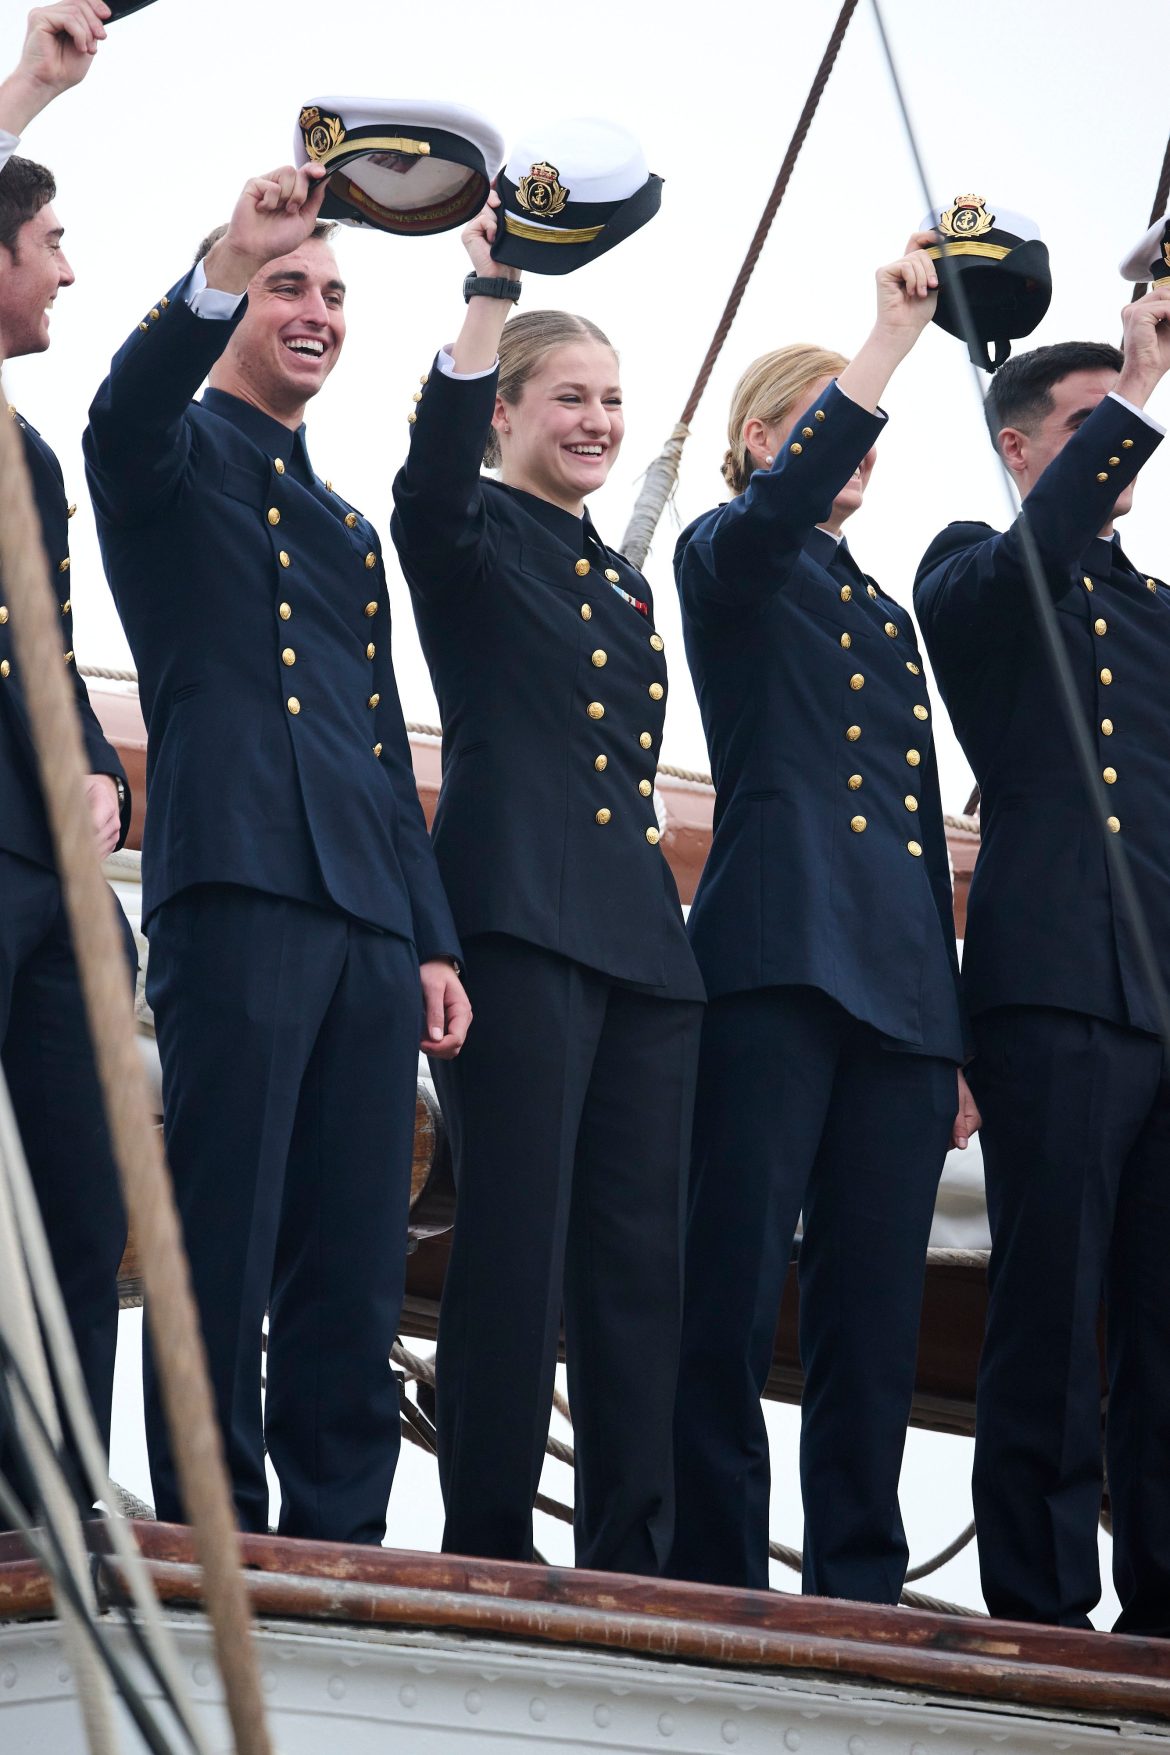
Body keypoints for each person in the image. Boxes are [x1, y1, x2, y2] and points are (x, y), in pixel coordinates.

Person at [84, 158, 470, 1544]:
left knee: (354, 1251)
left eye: (331, 291)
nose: (314, 309)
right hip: (238, 884)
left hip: (366, 917)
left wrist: (428, 935)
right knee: (223, 1232)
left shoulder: (347, 528)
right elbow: (118, 413)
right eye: (286, 286)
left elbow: (377, 739)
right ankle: (215, 1528)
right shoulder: (168, 459)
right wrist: (223, 257)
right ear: (235, 298)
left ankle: (338, 1536)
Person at [390, 191, 705, 1572]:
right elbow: (427, 474)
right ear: (508, 409)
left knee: (639, 1265)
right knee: (515, 1247)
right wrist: (490, 297)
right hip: (514, 919)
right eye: (568, 397)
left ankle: (636, 1553)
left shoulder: (622, 584)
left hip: (643, 945)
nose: (596, 422)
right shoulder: (462, 534)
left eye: (613, 402)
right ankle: (490, 1542)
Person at [670, 238, 978, 1602]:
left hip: (902, 1000)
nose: (846, 451)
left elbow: (915, 836)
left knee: (871, 1307)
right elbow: (768, 511)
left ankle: (857, 1576)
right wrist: (884, 348)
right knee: (730, 1287)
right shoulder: (727, 556)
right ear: (756, 443)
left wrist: (949, 1030)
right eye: (811, 431)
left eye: (855, 434)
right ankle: (716, 1565)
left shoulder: (877, 609)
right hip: (775, 963)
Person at [914, 294, 1170, 1633]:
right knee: (1047, 1310)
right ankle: (1037, 1599)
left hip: (1159, 1003)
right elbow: (1031, 563)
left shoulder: (1158, 615)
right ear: (1023, 449)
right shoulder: (975, 572)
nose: (1121, 447)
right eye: (1088, 428)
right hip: (1051, 988)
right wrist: (1138, 380)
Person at [0, 0, 134, 1500]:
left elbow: (46, 646)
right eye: (48, 247)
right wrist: (31, 87)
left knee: (79, 1198)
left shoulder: (28, 458)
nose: (71, 272)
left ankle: (51, 1495)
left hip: (49, 871)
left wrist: (96, 757)